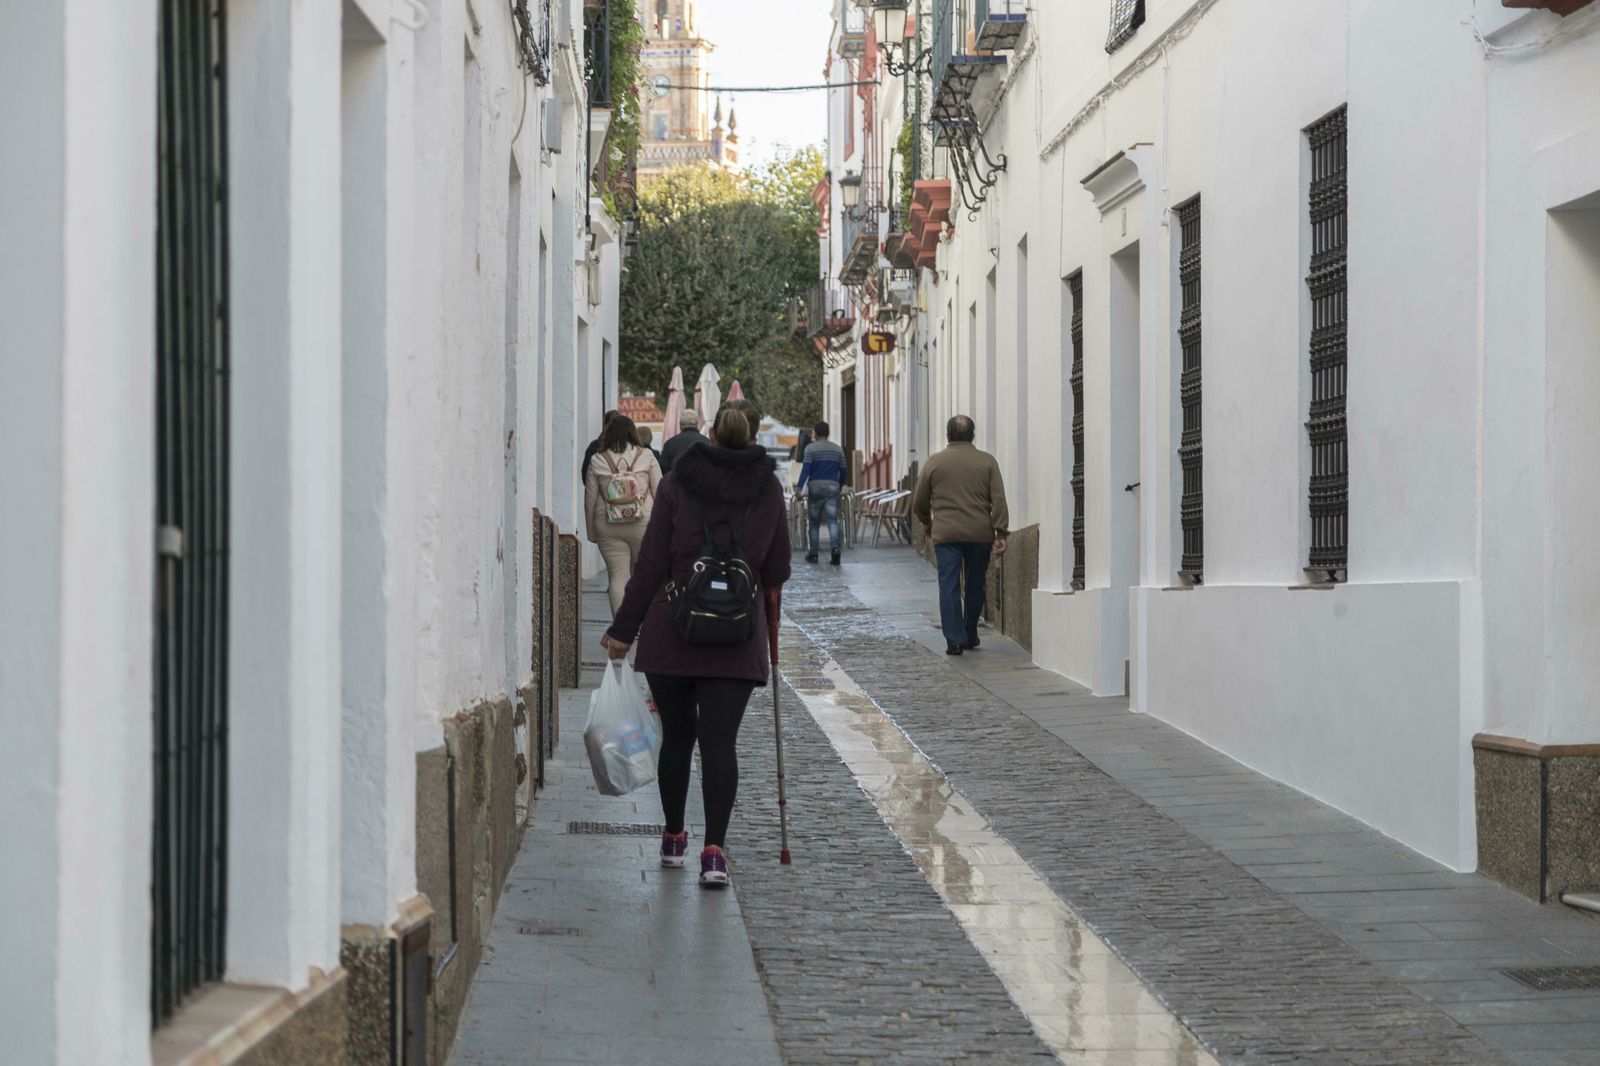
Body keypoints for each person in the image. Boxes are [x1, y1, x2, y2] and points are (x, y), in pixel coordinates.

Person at [600, 407, 792, 888]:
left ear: (709, 438)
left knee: (678, 739)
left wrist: (623, 629)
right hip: (736, 636)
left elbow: (650, 564)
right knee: (719, 743)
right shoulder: (768, 490)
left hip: (674, 632)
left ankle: (672, 838)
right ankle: (714, 854)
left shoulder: (676, 484)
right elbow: (778, 569)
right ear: (750, 438)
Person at [911, 415, 1009, 656]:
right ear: (973, 436)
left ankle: (954, 640)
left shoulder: (934, 462)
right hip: (980, 533)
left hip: (946, 534)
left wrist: (927, 522)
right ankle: (970, 632)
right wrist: (1001, 531)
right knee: (975, 584)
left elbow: (919, 501)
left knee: (949, 585)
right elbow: (998, 498)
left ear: (948, 435)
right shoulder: (987, 462)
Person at [585, 414, 663, 615]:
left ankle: (620, 627)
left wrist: (591, 532)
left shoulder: (597, 459)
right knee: (641, 575)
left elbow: (590, 498)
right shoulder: (647, 455)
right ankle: (640, 623)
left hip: (607, 524)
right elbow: (660, 492)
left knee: (617, 576)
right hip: (642, 523)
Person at [796, 421, 847, 566]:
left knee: (814, 523)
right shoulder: (838, 449)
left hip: (815, 487)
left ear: (816, 434)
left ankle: (813, 554)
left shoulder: (810, 449)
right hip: (832, 487)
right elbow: (844, 470)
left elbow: (805, 470)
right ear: (828, 433)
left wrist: (799, 489)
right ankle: (835, 549)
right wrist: (840, 484)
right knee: (832, 520)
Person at [580, 409, 621, 485]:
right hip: (621, 491)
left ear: (604, 425)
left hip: (600, 490)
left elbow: (586, 474)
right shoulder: (626, 447)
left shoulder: (594, 446)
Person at [659, 408, 706, 473]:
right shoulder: (707, 442)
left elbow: (663, 470)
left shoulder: (670, 444)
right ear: (697, 424)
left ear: (680, 425)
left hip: (676, 478)